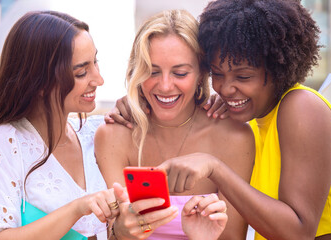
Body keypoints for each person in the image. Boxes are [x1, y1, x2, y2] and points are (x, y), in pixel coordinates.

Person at [107, 0, 331, 239]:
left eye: (244, 76)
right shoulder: (254, 118)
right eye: (217, 75)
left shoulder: (301, 107)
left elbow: (298, 233)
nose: (226, 89)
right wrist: (142, 99)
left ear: (279, 69)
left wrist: (215, 167)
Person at [95, 9, 254, 239]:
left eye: (180, 73)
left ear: (202, 73)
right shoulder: (113, 136)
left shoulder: (234, 137)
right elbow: (112, 232)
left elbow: (232, 237)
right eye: (152, 71)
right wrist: (119, 231)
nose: (165, 86)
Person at [0, 11, 120, 240]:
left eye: (96, 62)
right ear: (39, 82)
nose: (98, 79)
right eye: (82, 72)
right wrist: (76, 209)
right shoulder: (3, 142)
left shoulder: (97, 133)